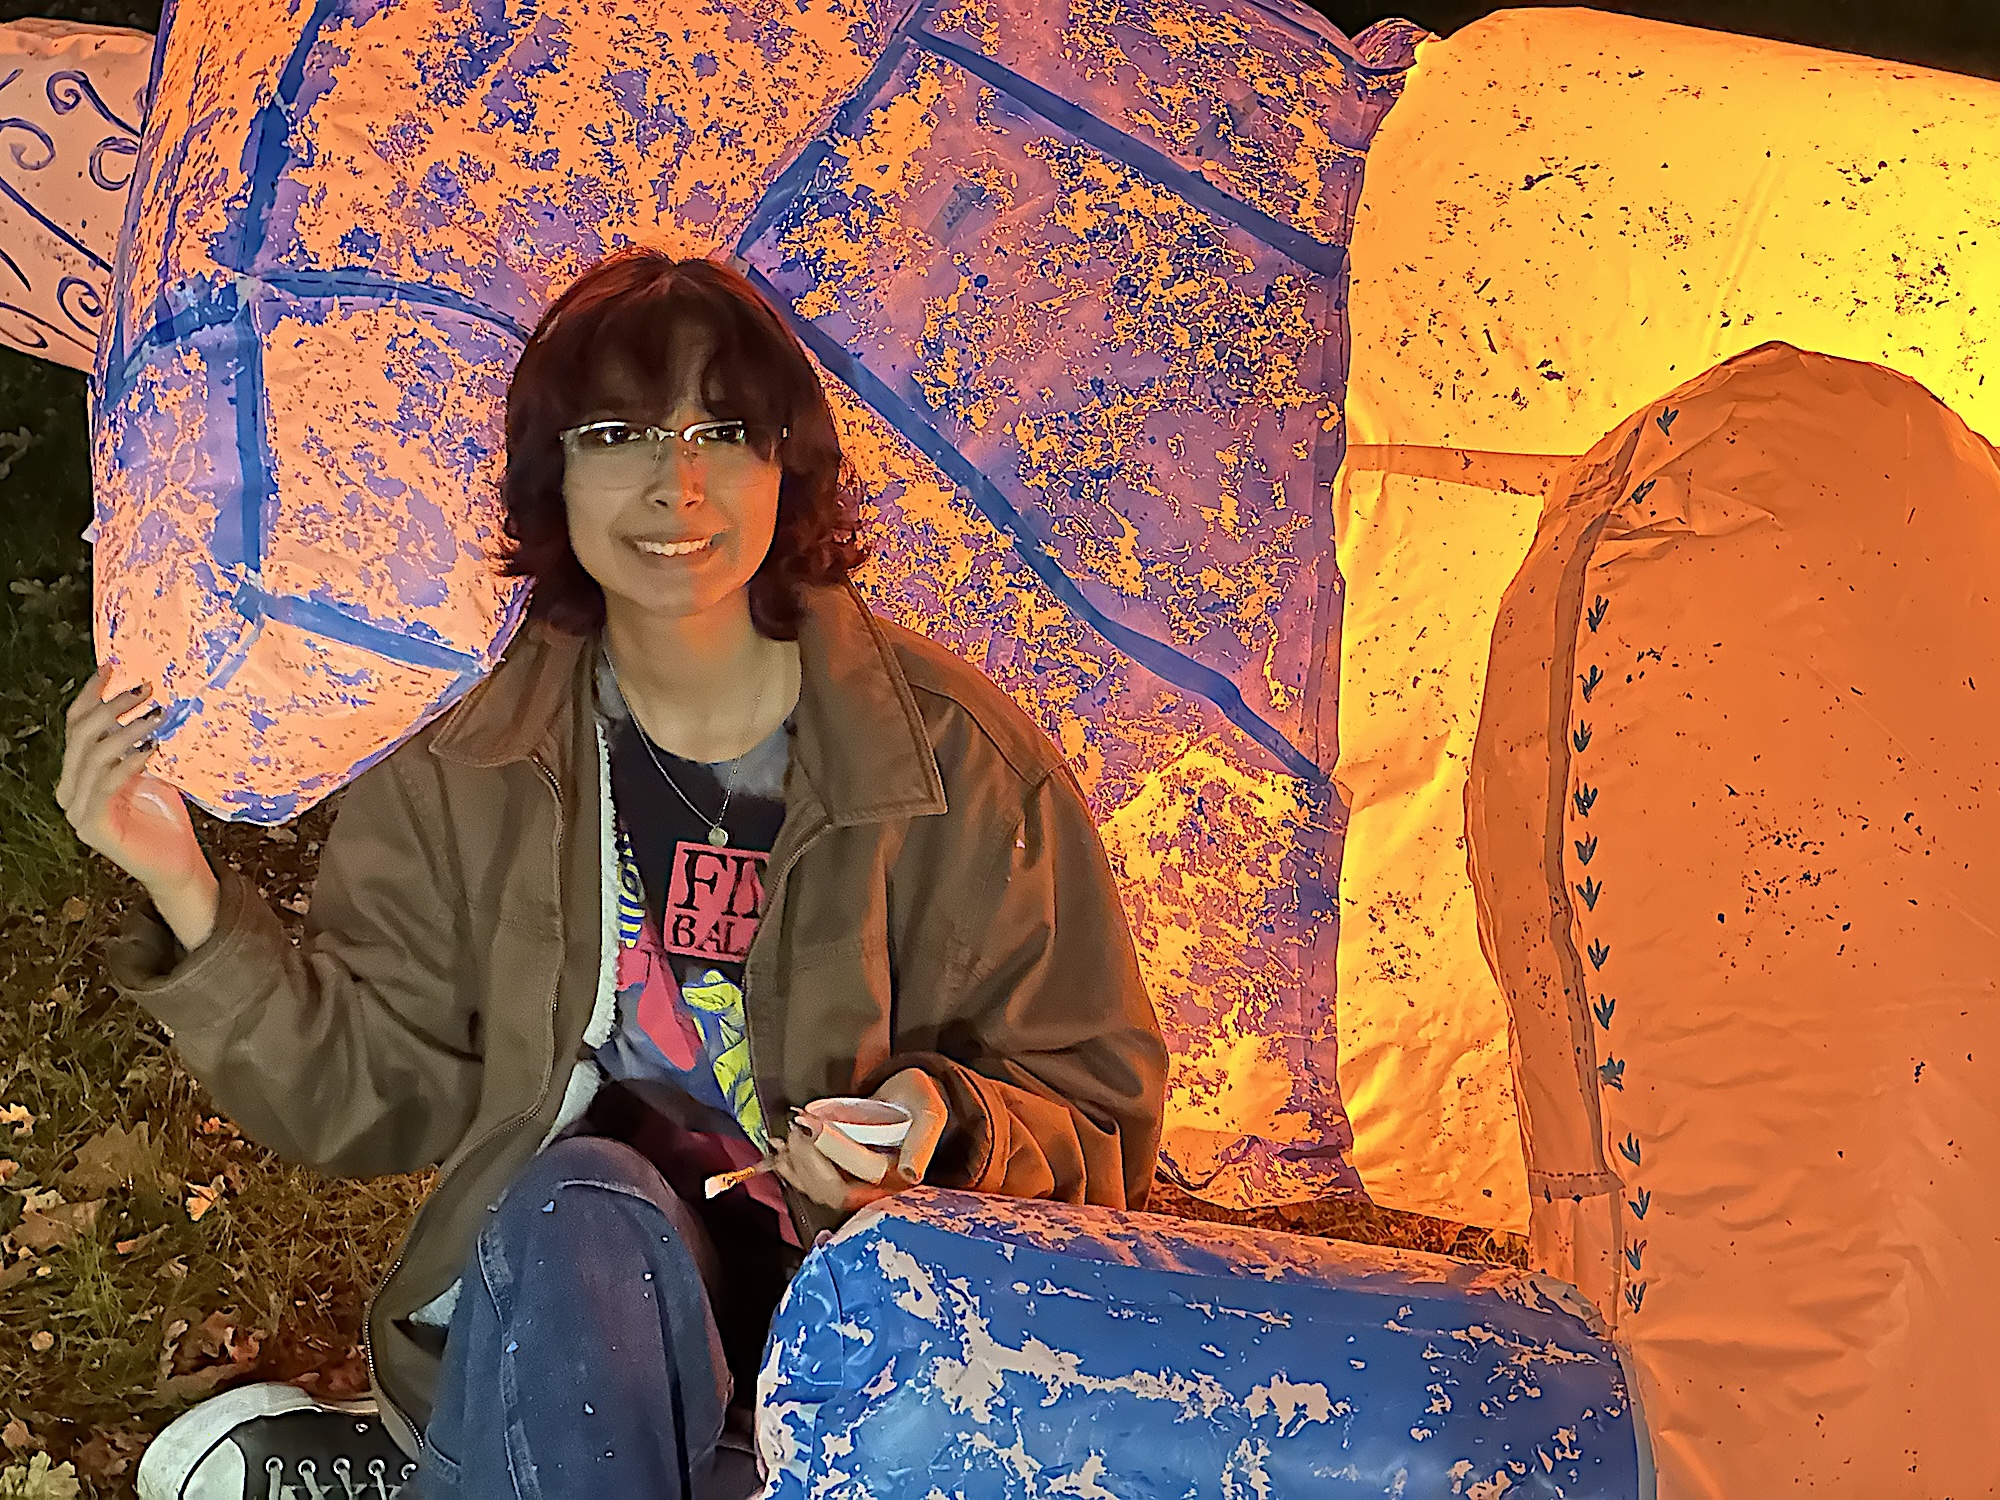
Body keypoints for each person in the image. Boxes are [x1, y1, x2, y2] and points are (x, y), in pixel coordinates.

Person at [60, 251, 1168, 1499]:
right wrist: (187, 891)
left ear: (786, 464)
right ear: (555, 475)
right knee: (582, 1202)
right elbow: (371, 1091)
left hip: (874, 1353)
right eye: (615, 433)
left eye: (722, 432)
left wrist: (941, 1127)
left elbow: (1098, 1119)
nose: (672, 484)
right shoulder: (475, 753)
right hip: (576, 1305)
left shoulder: (959, 764)